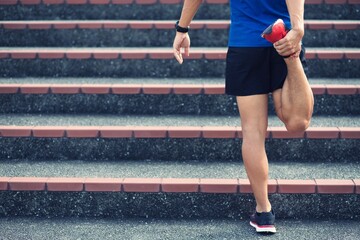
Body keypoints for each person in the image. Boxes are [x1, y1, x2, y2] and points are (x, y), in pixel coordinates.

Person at [172, 0, 314, 234]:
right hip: (283, 35)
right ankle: (292, 56)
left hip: (246, 42)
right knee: (297, 122)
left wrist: (182, 29)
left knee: (253, 131)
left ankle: (264, 212)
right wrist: (297, 27)